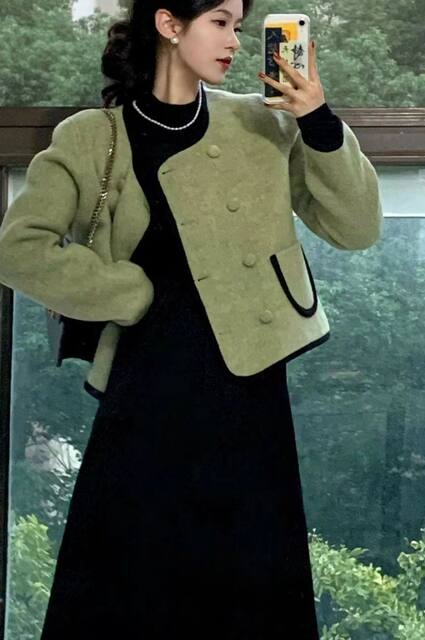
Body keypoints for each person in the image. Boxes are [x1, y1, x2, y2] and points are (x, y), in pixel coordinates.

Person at [0, 0, 383, 637]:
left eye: (239, 26)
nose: (235, 40)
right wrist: (127, 293)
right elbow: (19, 249)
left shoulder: (262, 122)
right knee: (130, 587)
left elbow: (357, 227)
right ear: (169, 24)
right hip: (146, 388)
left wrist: (316, 118)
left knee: (250, 589)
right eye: (220, 22)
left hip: (247, 387)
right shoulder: (93, 136)